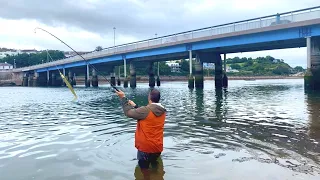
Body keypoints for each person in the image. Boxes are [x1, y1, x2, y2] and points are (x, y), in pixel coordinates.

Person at [115, 89, 166, 179]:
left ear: (149, 98)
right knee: (155, 165)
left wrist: (123, 98)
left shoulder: (145, 110)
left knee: (144, 171)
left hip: (145, 149)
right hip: (157, 147)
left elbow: (128, 113)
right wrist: (136, 106)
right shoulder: (162, 111)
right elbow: (149, 113)